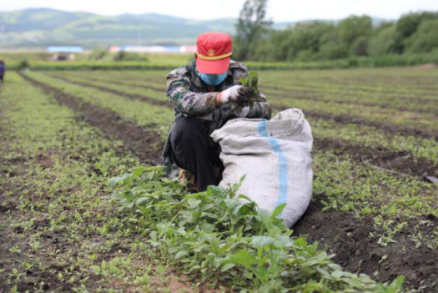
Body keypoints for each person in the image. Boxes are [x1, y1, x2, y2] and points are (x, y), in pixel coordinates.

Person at [162, 32, 272, 191]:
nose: (213, 74)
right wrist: (221, 97)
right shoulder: (180, 75)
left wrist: (247, 109)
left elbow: (265, 109)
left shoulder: (239, 74)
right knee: (185, 127)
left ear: (229, 58)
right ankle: (205, 188)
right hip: (192, 148)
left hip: (226, 144)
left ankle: (228, 177)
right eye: (208, 67)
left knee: (247, 129)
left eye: (218, 67)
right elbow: (183, 102)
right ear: (196, 56)